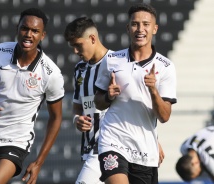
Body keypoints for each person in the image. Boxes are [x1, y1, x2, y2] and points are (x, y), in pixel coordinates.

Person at [0, 8, 64, 184]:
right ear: (17, 28)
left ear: (43, 36)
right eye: (25, 28)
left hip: (14, 142)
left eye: (35, 31)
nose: (28, 35)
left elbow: (56, 118)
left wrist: (39, 162)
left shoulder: (51, 73)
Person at [94, 3, 177, 184]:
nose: (140, 29)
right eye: (135, 24)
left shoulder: (166, 67)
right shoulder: (111, 60)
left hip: (145, 149)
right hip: (112, 140)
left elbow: (164, 116)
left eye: (146, 24)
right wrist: (108, 96)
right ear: (128, 28)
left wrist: (153, 91)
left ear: (154, 29)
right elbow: (98, 102)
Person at [64, 17, 113, 184]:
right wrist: (77, 119)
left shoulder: (117, 63)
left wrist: (153, 140)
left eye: (78, 45)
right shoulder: (80, 69)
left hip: (110, 146)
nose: (75, 51)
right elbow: (79, 106)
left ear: (92, 38)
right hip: (89, 147)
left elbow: (136, 105)